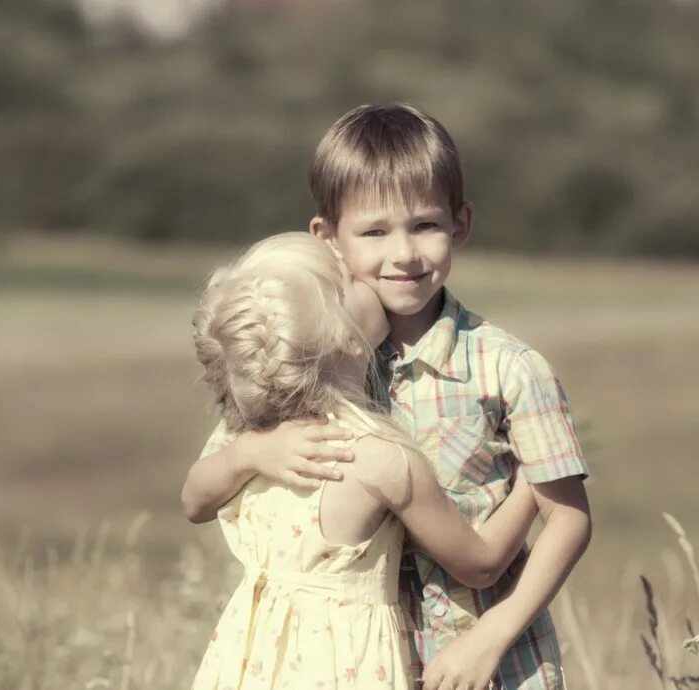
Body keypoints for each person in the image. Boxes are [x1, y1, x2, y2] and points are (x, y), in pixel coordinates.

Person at [183, 103, 592, 690]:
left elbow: (569, 520)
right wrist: (254, 453)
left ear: (461, 223)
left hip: (482, 661)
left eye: (424, 225)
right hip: (352, 662)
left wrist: (492, 635)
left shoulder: (510, 369)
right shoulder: (309, 359)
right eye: (374, 232)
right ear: (327, 238)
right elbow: (198, 495)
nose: (403, 254)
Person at [189, 232, 542, 690]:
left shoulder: (255, 435)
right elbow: (479, 564)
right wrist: (535, 477)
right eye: (351, 279)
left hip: (249, 666)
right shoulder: (381, 460)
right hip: (344, 669)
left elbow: (193, 502)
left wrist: (248, 453)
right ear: (344, 337)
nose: (371, 279)